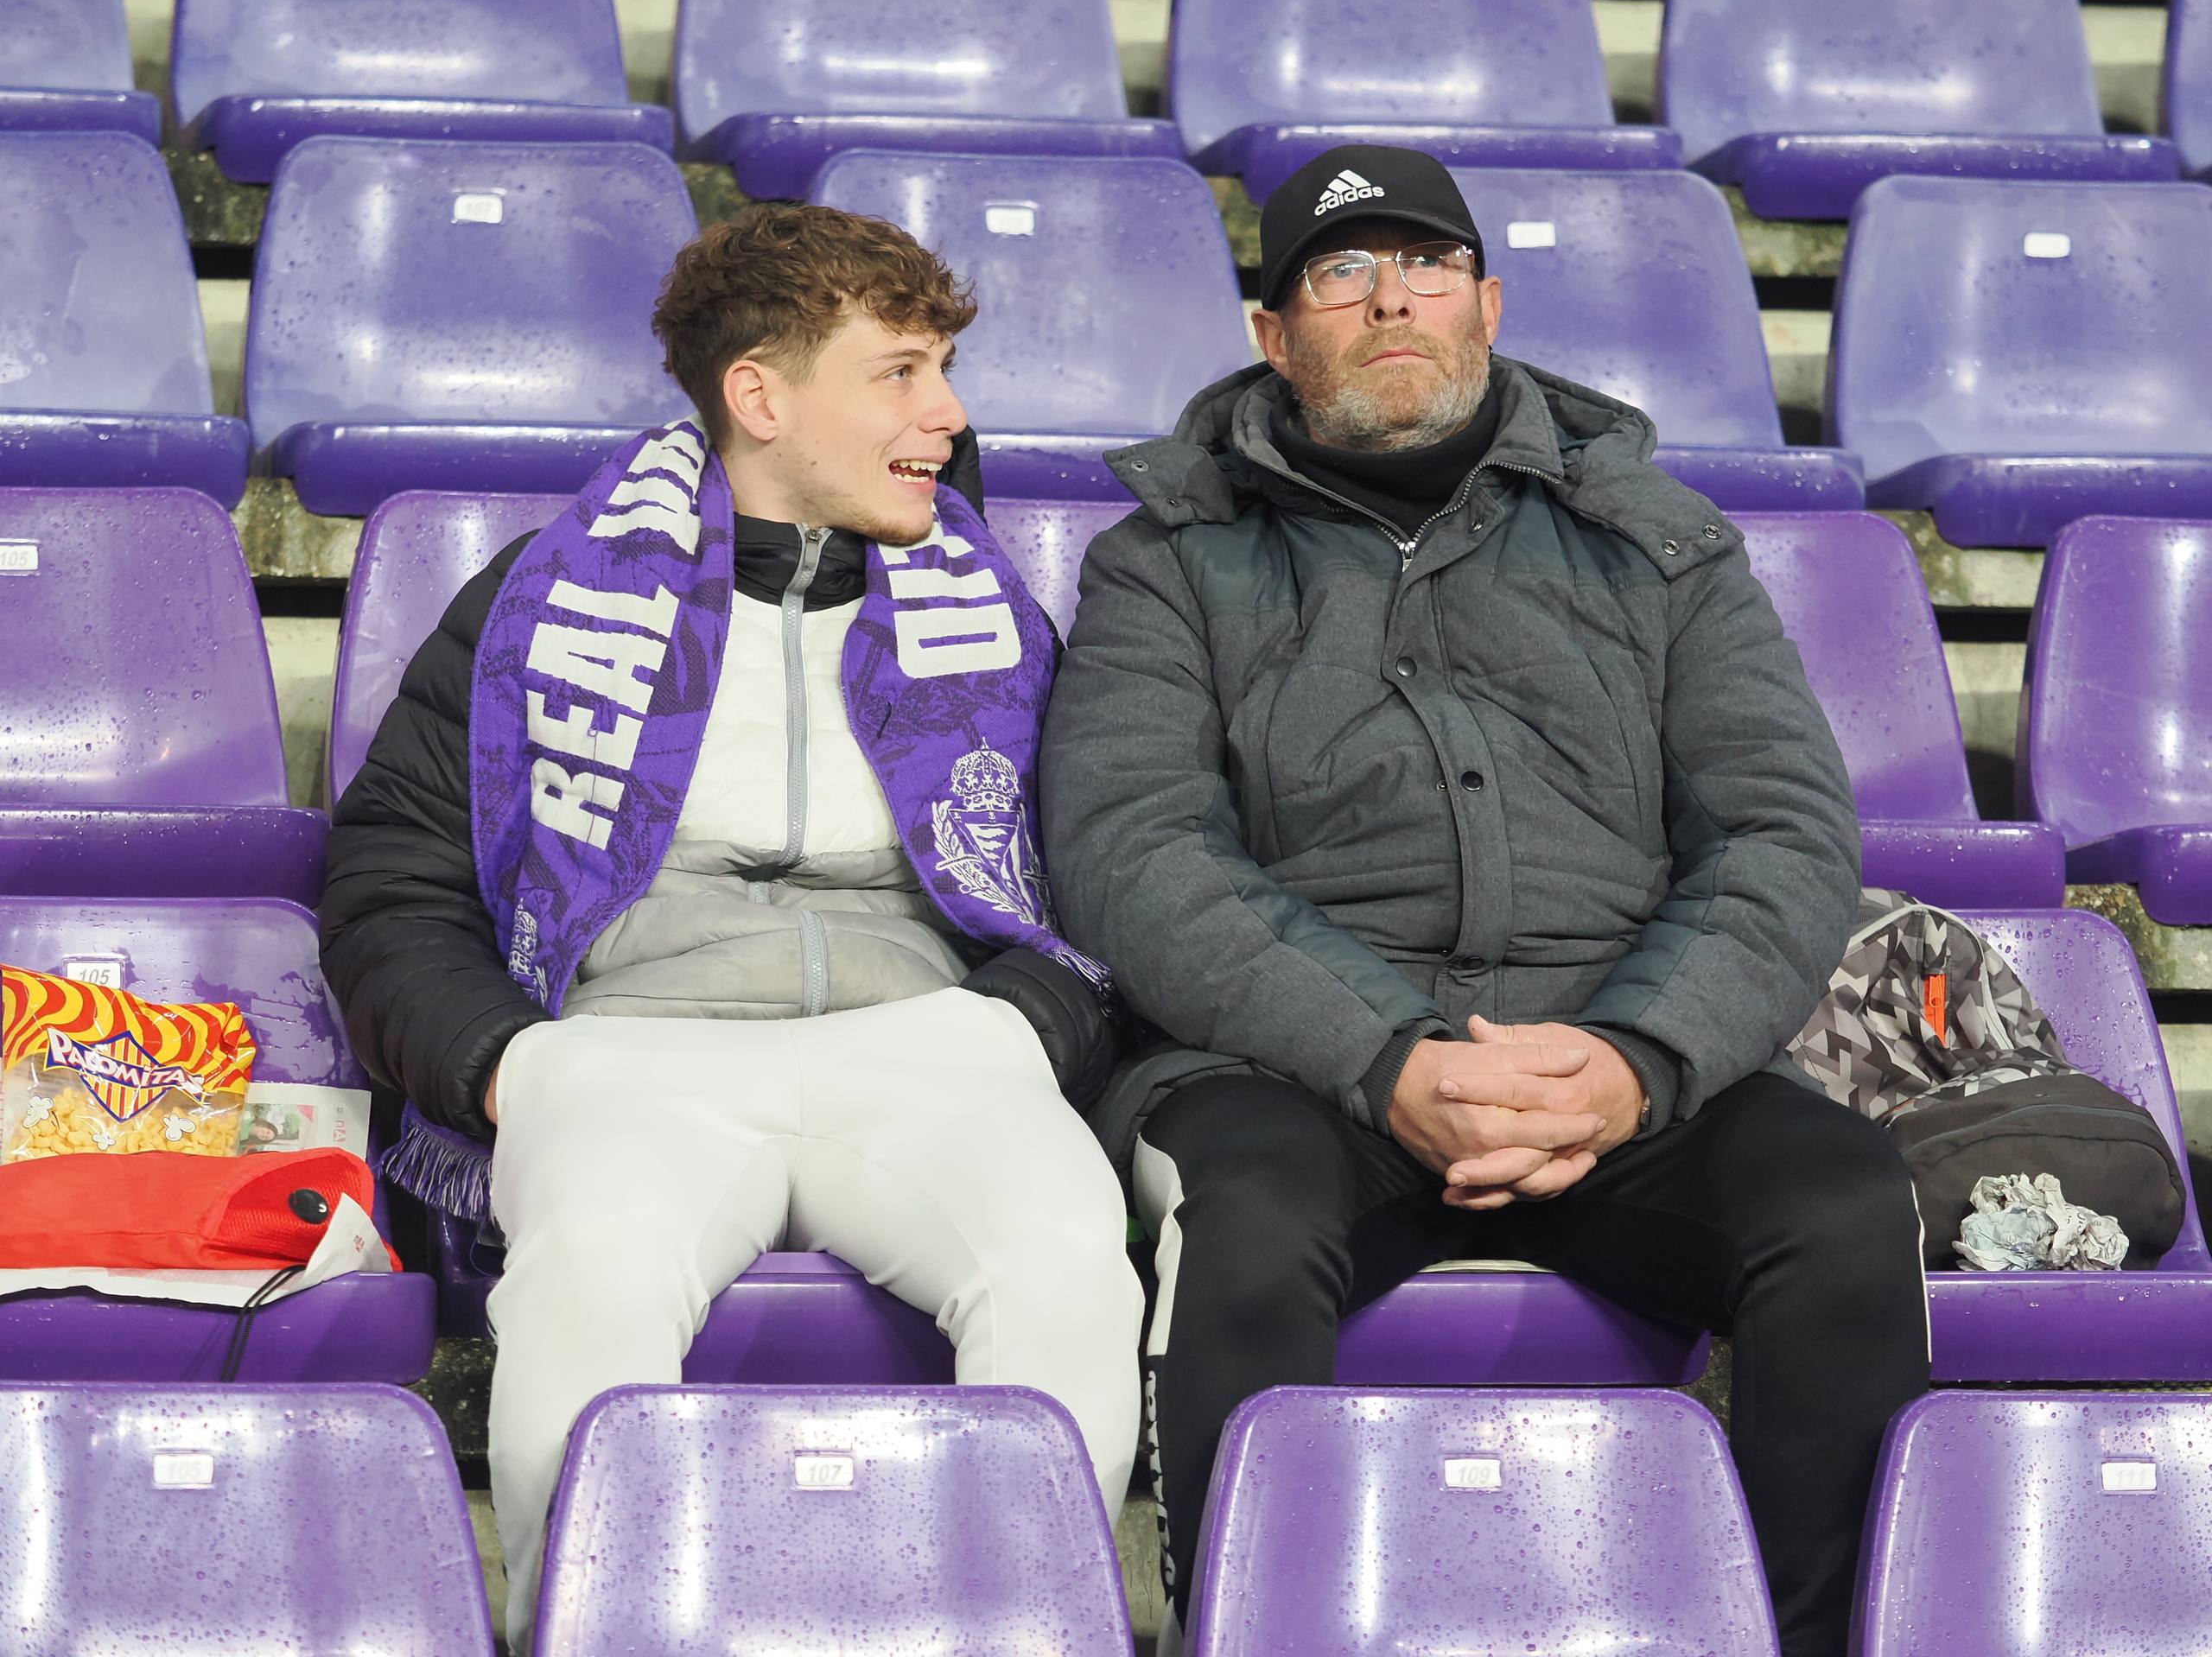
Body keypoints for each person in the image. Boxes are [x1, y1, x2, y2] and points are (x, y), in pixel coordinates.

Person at [1039, 144, 1928, 1657]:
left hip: (1619, 1062)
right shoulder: (1165, 563)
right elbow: (1136, 853)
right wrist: (1392, 1056)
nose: (1391, 303)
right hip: (1296, 1073)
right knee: (1236, 1218)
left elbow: (1780, 833)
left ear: (1487, 304)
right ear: (1273, 336)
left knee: (1843, 1208)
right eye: (1339, 275)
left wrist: (1638, 1062)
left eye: (1427, 269)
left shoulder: (1663, 549)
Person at [321, 202, 1144, 1654]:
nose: (947, 414)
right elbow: (393, 879)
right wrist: (512, 1069)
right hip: (633, 1058)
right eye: (900, 372)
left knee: (1073, 1265)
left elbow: (1102, 875)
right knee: (589, 1283)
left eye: (943, 368)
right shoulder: (533, 603)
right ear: (760, 396)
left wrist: (1026, 1024)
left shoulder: (997, 616)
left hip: (939, 1056)